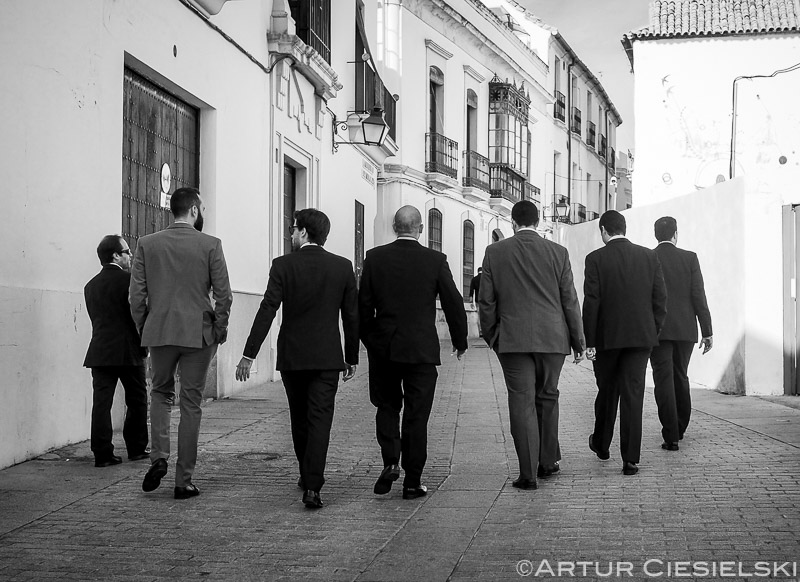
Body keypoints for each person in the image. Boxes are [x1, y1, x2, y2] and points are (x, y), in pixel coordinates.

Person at [235, 209, 359, 510]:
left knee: (299, 417)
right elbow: (351, 315)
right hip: (328, 358)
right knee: (320, 420)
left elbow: (268, 309)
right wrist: (351, 356)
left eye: (293, 229)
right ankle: (313, 485)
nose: (291, 234)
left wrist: (248, 354)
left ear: (304, 232)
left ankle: (307, 475)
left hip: (293, 357)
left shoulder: (282, 265)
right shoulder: (342, 267)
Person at [129, 187, 232, 500]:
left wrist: (145, 327)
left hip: (160, 332)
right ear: (195, 210)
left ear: (172, 210)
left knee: (159, 393)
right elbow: (224, 294)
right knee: (191, 403)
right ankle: (183, 480)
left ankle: (159, 456)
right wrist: (219, 329)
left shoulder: (147, 244)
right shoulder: (210, 244)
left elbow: (136, 296)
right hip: (197, 334)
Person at [359, 205, 468, 499]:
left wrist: (372, 340)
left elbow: (363, 307)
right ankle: (412, 481)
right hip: (421, 349)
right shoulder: (435, 260)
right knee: (417, 416)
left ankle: (391, 459)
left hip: (385, 349)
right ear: (420, 229)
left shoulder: (375, 258)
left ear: (395, 227)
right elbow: (453, 302)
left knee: (386, 406)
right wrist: (460, 340)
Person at [479, 201, 585, 490]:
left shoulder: (495, 252)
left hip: (512, 340)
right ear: (538, 222)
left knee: (521, 401)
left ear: (513, 223)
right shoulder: (558, 252)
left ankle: (528, 474)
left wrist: (492, 336)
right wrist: (578, 341)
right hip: (553, 339)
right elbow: (569, 299)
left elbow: (486, 301)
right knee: (548, 396)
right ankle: (548, 461)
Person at [583, 210, 667, 476]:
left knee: (607, 392)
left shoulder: (595, 258)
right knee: (633, 395)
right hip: (640, 339)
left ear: (604, 230)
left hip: (607, 339)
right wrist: (652, 331)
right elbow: (660, 300)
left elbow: (592, 302)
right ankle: (630, 459)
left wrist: (590, 341)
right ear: (624, 228)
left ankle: (602, 443)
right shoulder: (648, 256)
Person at [83, 235, 149, 467]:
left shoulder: (90, 286)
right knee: (138, 399)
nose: (130, 256)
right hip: (128, 350)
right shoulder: (130, 282)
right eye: (127, 251)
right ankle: (136, 448)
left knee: (101, 403)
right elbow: (138, 315)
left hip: (100, 351)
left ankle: (102, 453)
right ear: (115, 255)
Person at [650, 217, 713, 450]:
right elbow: (699, 295)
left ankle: (671, 434)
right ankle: (681, 425)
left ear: (655, 235)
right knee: (681, 376)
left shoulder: (648, 257)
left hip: (657, 331)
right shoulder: (690, 258)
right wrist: (707, 330)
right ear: (675, 235)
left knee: (663, 380)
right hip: (686, 330)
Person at [469, 267, 483, 337]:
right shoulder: (485, 279)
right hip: (485, 300)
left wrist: (471, 301)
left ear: (478, 271)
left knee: (479, 316)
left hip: (478, 300)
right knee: (486, 315)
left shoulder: (474, 279)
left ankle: (481, 332)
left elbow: (471, 290)